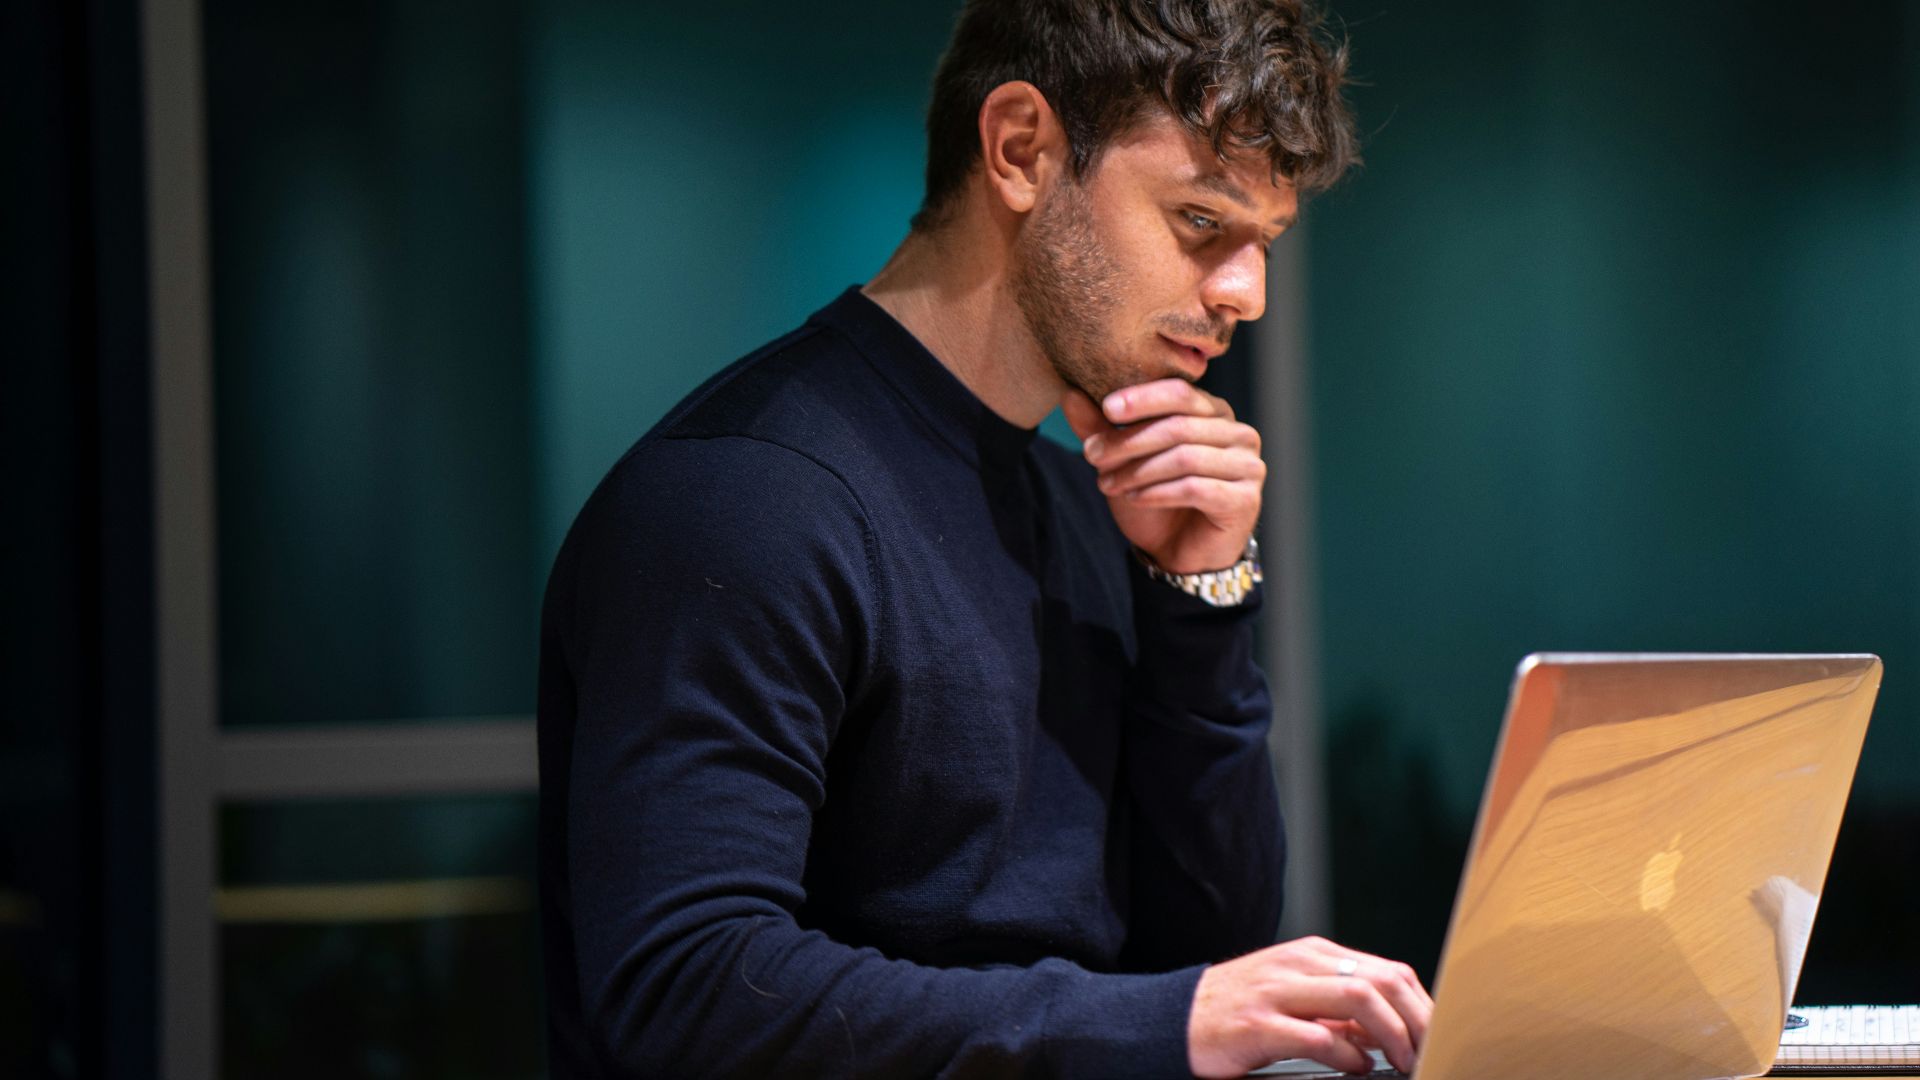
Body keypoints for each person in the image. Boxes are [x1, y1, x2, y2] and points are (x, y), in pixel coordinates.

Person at [535, 0, 1433, 1075]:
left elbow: (1206, 954)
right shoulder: (748, 496)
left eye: (1265, 243)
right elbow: (684, 991)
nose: (1247, 293)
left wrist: (1193, 589)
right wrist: (1160, 1023)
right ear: (1020, 151)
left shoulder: (1083, 504)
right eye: (1201, 222)